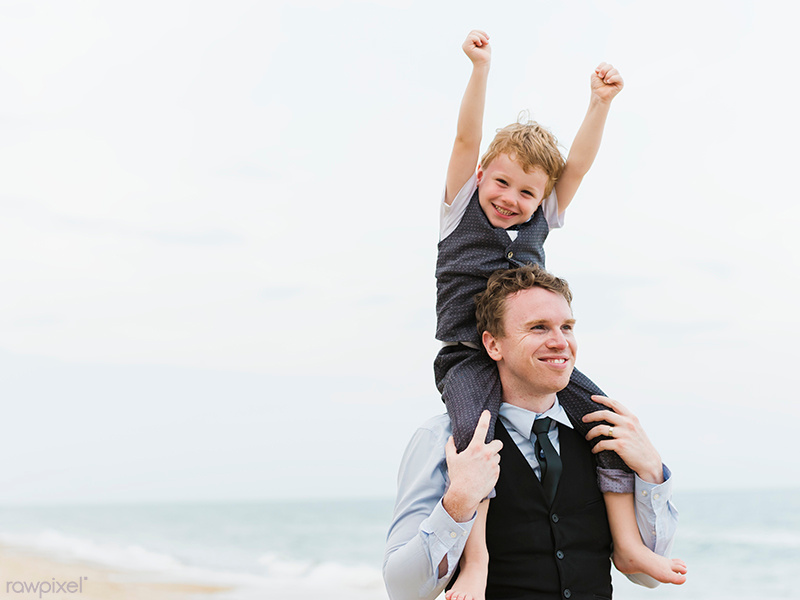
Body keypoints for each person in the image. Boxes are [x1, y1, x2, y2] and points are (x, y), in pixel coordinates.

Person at [432, 30, 685, 599]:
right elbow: (466, 136)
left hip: (531, 355)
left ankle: (628, 543)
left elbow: (578, 167)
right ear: (480, 175)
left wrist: (600, 103)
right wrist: (480, 69)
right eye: (501, 182)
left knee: (604, 423)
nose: (511, 199)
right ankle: (476, 560)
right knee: (476, 441)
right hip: (469, 357)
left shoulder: (541, 218)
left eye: (527, 192)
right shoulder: (460, 209)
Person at [384, 265, 685, 600]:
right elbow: (403, 591)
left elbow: (646, 575)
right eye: (539, 328)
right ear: (493, 344)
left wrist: (651, 469)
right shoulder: (440, 438)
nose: (560, 342)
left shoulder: (606, 436)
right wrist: (458, 503)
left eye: (567, 327)